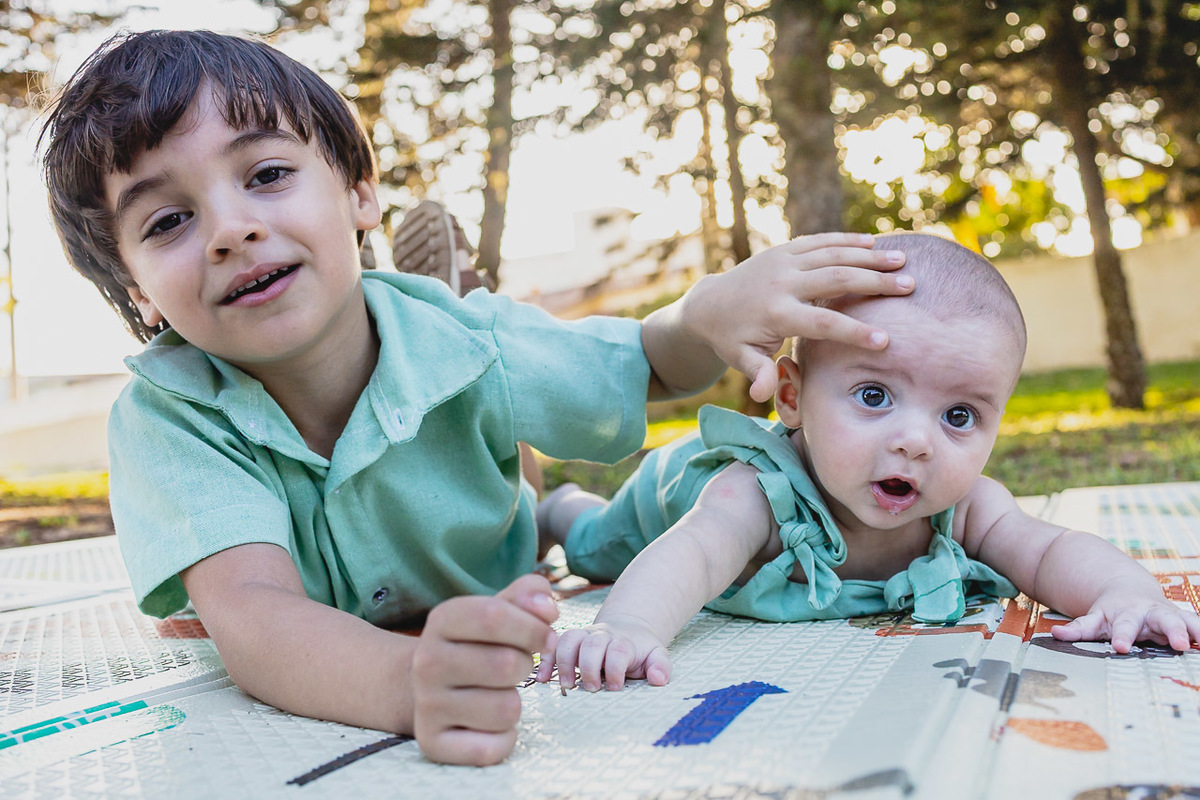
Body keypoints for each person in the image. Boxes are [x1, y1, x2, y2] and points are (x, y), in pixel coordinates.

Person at [37, 30, 916, 765]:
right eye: (168, 221)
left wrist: (705, 314)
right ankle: (523, 457)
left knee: (555, 500)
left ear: (359, 194)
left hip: (492, 532)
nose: (231, 230)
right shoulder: (168, 419)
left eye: (265, 175)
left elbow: (645, 365)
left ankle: (543, 487)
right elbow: (258, 619)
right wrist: (405, 682)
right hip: (406, 544)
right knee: (497, 424)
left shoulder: (467, 341)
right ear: (139, 292)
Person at [536, 233, 1200, 694]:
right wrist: (629, 627)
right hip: (664, 500)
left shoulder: (966, 505)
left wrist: (1128, 595)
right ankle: (559, 508)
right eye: (874, 396)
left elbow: (1048, 550)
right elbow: (697, 554)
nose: (917, 441)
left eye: (959, 415)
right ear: (792, 397)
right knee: (594, 547)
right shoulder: (755, 495)